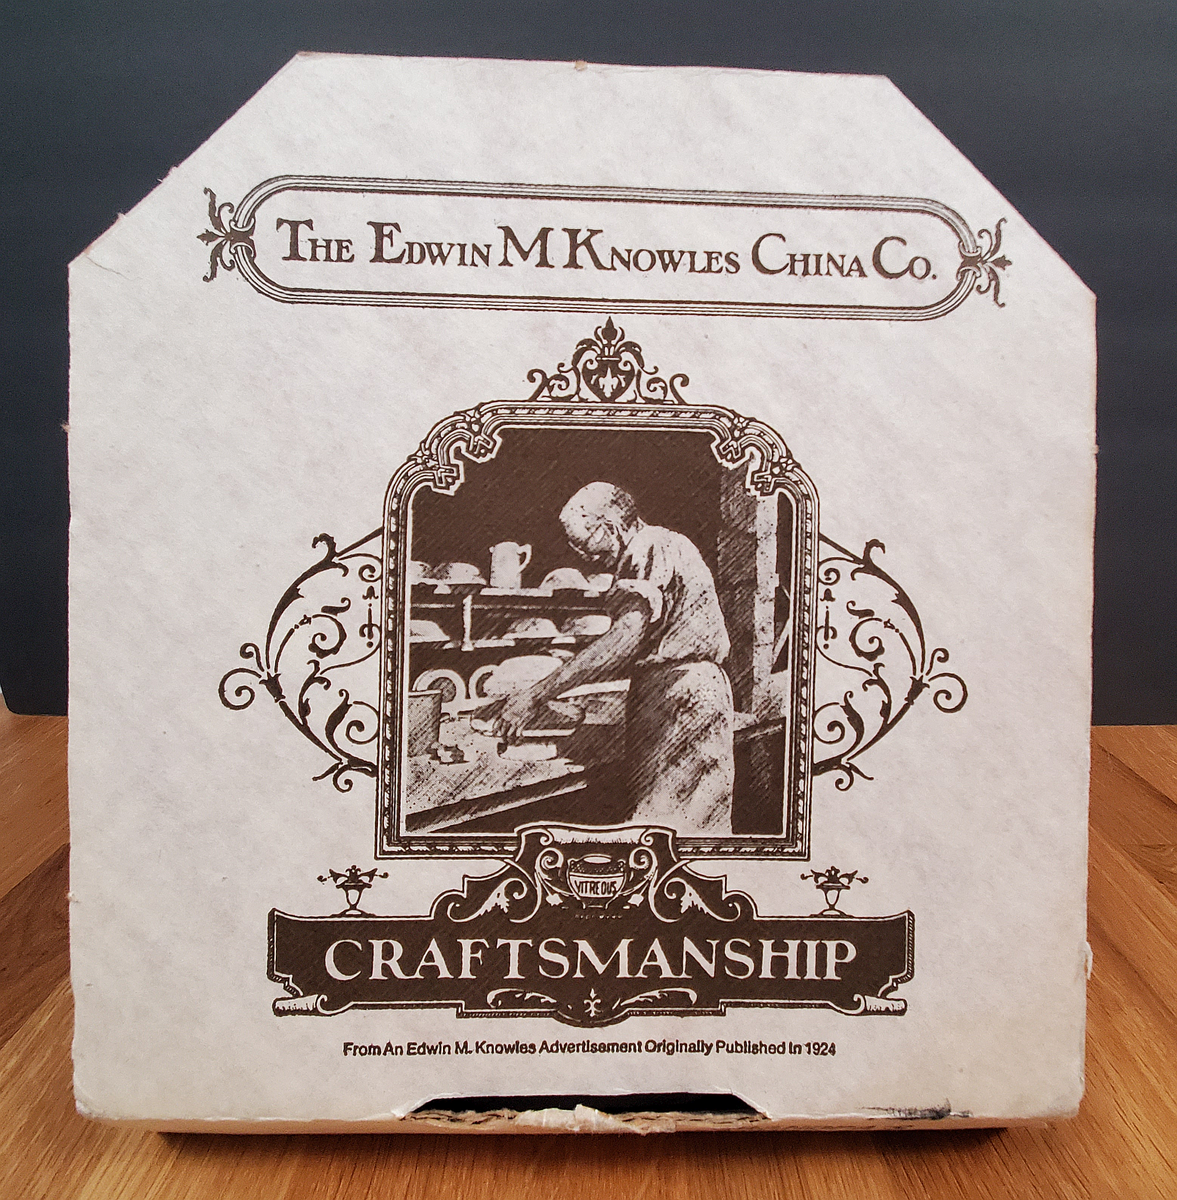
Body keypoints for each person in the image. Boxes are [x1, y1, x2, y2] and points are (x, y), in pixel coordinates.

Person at [494, 482, 735, 833]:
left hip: (681, 698)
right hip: (685, 693)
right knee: (691, 825)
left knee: (666, 827)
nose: (584, 556)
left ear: (611, 524)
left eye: (584, 542)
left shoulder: (647, 546)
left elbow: (624, 638)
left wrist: (535, 695)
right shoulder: (667, 544)